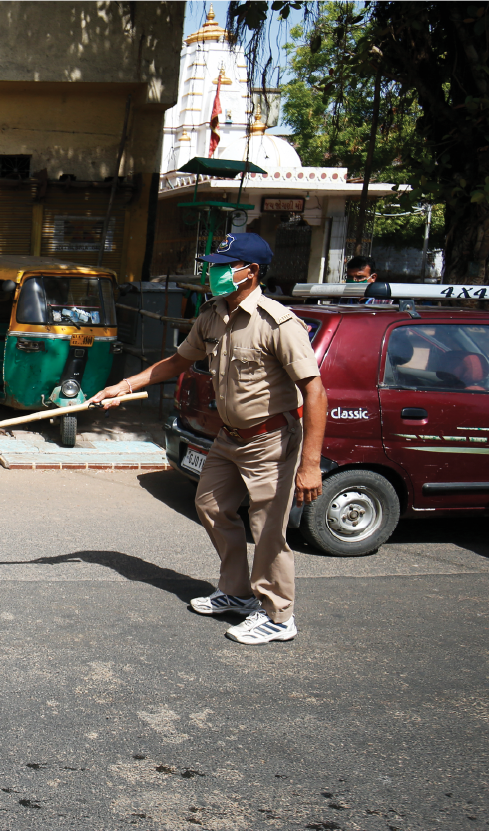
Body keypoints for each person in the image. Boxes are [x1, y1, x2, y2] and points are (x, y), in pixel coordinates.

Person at [89, 233, 328, 645]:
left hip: (270, 439)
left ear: (251, 272)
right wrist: (123, 387)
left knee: (268, 529)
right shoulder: (212, 314)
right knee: (211, 506)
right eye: (213, 265)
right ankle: (237, 592)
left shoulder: (277, 322)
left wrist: (310, 465)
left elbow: (316, 392)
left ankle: (278, 616)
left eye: (223, 266)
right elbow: (179, 361)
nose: (213, 272)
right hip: (228, 437)